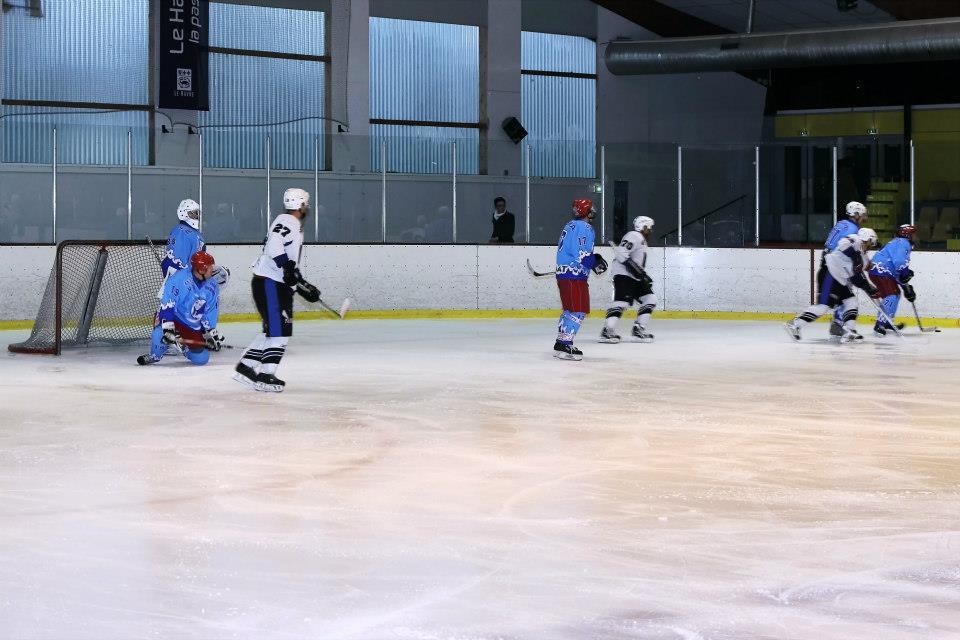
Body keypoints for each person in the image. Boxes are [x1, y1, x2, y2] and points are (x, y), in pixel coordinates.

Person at [233, 188, 320, 393]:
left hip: (271, 284)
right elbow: (274, 248)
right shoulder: (289, 221)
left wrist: (300, 284)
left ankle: (246, 367)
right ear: (300, 204)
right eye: (305, 204)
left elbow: (287, 265)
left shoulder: (287, 221)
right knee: (280, 331)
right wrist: (288, 269)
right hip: (270, 285)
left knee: (273, 330)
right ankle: (266, 375)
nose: (307, 207)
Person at [784, 227, 879, 343]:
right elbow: (843, 244)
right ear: (865, 238)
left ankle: (850, 331)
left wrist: (868, 288)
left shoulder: (864, 259)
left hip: (840, 279)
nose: (870, 246)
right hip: (830, 273)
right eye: (870, 242)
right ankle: (794, 324)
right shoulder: (855, 239)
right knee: (823, 307)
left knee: (851, 301)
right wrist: (855, 257)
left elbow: (855, 277)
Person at [137, 251, 224, 366]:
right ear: (201, 270)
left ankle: (183, 348)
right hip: (175, 318)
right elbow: (168, 303)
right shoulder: (179, 279)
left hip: (192, 325)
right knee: (159, 335)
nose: (212, 270)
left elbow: (210, 311)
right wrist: (168, 328)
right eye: (210, 268)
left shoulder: (213, 286)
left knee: (202, 359)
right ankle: (154, 356)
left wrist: (210, 333)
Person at [554, 198, 607, 361]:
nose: (593, 211)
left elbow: (575, 250)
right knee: (578, 309)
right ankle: (565, 344)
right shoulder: (584, 227)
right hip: (574, 275)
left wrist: (594, 258)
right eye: (591, 209)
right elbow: (582, 254)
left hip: (567, 274)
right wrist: (594, 263)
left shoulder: (570, 225)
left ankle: (561, 343)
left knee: (570, 309)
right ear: (586, 211)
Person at [600, 216, 656, 343]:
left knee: (650, 299)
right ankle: (607, 331)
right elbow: (621, 254)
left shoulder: (641, 239)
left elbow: (634, 262)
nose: (650, 231)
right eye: (649, 228)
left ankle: (638, 330)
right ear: (643, 227)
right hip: (623, 275)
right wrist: (637, 271)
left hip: (634, 277)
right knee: (622, 302)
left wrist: (642, 275)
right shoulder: (634, 235)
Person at [823, 201, 868, 336]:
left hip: (828, 259)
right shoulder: (853, 229)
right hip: (837, 262)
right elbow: (844, 247)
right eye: (862, 215)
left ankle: (838, 323)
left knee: (844, 294)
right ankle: (838, 324)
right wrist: (855, 259)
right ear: (856, 214)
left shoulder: (842, 223)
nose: (863, 218)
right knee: (846, 294)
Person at [161, 198, 230, 287]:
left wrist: (206, 273)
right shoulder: (180, 231)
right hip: (183, 283)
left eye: (197, 213)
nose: (196, 216)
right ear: (183, 213)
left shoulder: (195, 233)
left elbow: (198, 259)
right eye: (193, 213)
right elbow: (175, 261)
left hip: (191, 280)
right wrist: (182, 282)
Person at [868, 224, 917, 336]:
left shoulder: (898, 242)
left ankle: (887, 322)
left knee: (896, 294)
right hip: (881, 271)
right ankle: (879, 324)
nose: (915, 237)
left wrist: (906, 288)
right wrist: (905, 274)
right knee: (891, 296)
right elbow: (899, 263)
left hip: (881, 271)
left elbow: (897, 270)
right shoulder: (903, 243)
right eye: (913, 234)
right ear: (907, 235)